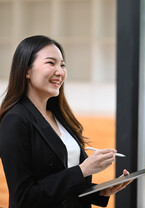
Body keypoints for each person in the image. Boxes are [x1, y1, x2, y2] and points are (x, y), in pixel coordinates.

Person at [0, 35, 131, 208]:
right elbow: (24, 197)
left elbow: (62, 179)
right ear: (27, 71)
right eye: (51, 63)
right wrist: (83, 170)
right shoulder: (15, 120)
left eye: (62, 64)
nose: (60, 71)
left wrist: (99, 191)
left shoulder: (59, 117)